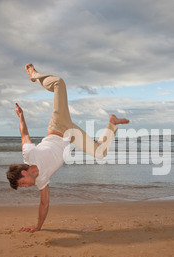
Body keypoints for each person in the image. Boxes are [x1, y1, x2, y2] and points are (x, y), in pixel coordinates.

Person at [7, 64, 130, 232]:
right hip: (71, 136)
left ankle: (34, 75)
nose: (26, 187)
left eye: (22, 183)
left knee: (59, 83)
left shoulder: (29, 155)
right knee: (100, 153)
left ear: (24, 172)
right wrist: (38, 226)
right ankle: (112, 123)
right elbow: (44, 203)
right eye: (23, 186)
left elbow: (24, 134)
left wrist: (21, 116)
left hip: (59, 126)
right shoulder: (41, 181)